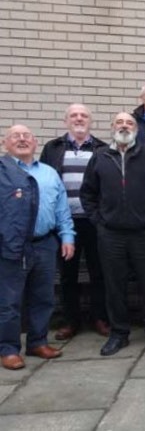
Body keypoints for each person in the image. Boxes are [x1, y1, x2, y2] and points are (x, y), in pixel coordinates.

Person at [80, 112, 145, 356]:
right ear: (112, 127)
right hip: (111, 235)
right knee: (114, 286)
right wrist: (99, 222)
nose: (125, 126)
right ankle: (119, 333)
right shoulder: (100, 156)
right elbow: (88, 193)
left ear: (137, 129)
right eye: (120, 122)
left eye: (130, 123)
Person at [0, 125, 75, 371]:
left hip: (44, 244)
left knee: (43, 298)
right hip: (11, 246)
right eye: (16, 136)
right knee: (9, 302)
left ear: (35, 142)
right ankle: (9, 349)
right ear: (5, 143)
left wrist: (67, 236)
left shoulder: (49, 173)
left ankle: (37, 342)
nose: (22, 140)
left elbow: (61, 208)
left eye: (27, 136)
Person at [40, 104, 110, 341]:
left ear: (91, 121)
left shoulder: (102, 149)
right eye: (74, 115)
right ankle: (71, 321)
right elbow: (45, 182)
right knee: (67, 274)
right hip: (64, 222)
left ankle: (100, 317)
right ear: (66, 121)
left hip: (94, 221)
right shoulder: (53, 148)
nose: (79, 119)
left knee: (99, 272)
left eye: (84, 116)